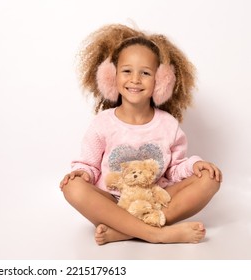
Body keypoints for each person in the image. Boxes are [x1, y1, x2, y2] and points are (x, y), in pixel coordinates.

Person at [59, 24, 222, 245]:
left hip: (154, 199)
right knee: (72, 187)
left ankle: (124, 231)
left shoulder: (168, 124)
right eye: (127, 71)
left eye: (145, 73)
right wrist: (82, 175)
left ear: (161, 81)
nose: (135, 79)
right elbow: (88, 164)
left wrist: (194, 166)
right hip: (111, 202)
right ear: (111, 77)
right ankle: (156, 233)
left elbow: (175, 169)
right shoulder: (103, 122)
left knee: (210, 180)